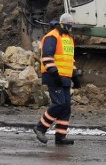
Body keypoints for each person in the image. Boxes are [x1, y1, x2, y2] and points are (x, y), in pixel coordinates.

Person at [33, 12, 79, 146]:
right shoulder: (52, 36)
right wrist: (54, 72)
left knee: (65, 107)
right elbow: (47, 56)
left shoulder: (69, 38)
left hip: (64, 77)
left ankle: (60, 136)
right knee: (59, 104)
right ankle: (40, 128)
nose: (69, 28)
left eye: (71, 26)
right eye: (68, 26)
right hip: (54, 76)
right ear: (62, 24)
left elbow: (69, 59)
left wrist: (75, 76)